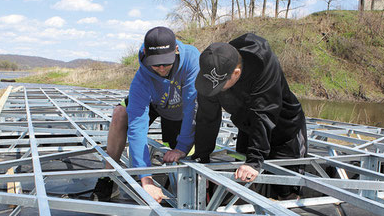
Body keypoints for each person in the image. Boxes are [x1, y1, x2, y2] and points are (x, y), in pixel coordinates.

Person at [90, 26, 199, 203]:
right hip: (155, 101)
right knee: (120, 113)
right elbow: (137, 126)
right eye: (156, 64)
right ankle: (108, 177)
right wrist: (145, 177)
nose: (162, 68)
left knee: (185, 151)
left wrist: (181, 147)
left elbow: (192, 108)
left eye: (166, 62)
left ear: (176, 50)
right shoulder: (141, 79)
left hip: (179, 107)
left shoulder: (192, 60)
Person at [193, 33, 307, 199]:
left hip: (284, 129)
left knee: (285, 188)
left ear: (236, 73)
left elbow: (264, 113)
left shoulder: (262, 64)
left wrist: (254, 160)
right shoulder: (214, 69)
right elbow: (207, 117)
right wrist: (202, 156)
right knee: (244, 182)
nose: (215, 91)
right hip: (247, 126)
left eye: (220, 87)